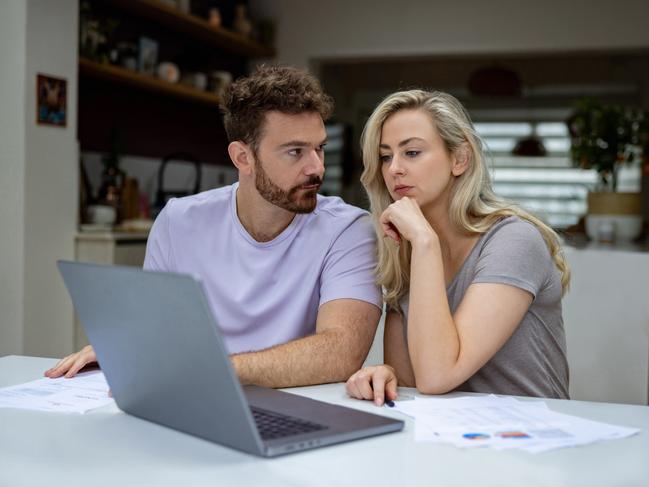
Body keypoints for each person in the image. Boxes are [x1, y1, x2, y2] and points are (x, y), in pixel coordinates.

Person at [45, 66, 382, 387]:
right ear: (242, 158)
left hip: (298, 405)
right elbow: (155, 330)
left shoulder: (349, 230)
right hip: (195, 397)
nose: (316, 168)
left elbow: (341, 353)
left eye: (319, 148)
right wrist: (128, 351)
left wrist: (212, 370)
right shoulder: (179, 222)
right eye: (295, 151)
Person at [345, 90, 570, 406]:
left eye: (411, 152)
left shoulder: (514, 240)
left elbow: (438, 375)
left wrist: (424, 244)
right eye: (385, 156)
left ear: (460, 158)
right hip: (451, 441)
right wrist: (385, 376)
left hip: (531, 441)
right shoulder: (405, 253)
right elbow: (415, 386)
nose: (394, 169)